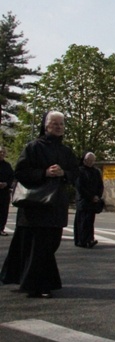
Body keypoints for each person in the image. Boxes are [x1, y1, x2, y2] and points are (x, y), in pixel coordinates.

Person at [0, 111, 78, 298]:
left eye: (61, 124)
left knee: (50, 245)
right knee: (38, 248)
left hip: (55, 206)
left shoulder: (66, 151)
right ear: (46, 125)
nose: (58, 127)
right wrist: (44, 173)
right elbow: (20, 172)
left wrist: (63, 173)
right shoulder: (33, 147)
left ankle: (37, 281)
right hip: (35, 207)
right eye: (54, 123)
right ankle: (38, 285)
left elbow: (76, 174)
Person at [73, 152, 104, 248]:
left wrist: (97, 196)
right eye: (88, 160)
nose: (90, 162)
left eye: (92, 160)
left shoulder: (96, 172)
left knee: (90, 222)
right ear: (84, 160)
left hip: (93, 201)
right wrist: (91, 197)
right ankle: (81, 241)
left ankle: (89, 239)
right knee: (82, 222)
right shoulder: (79, 171)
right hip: (83, 200)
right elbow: (79, 187)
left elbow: (100, 186)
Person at [0, 146, 14, 236]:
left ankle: (1, 228)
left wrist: (6, 184)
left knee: (3, 211)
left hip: (4, 192)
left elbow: (12, 177)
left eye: (3, 152)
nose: (1, 154)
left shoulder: (7, 165)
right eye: (0, 152)